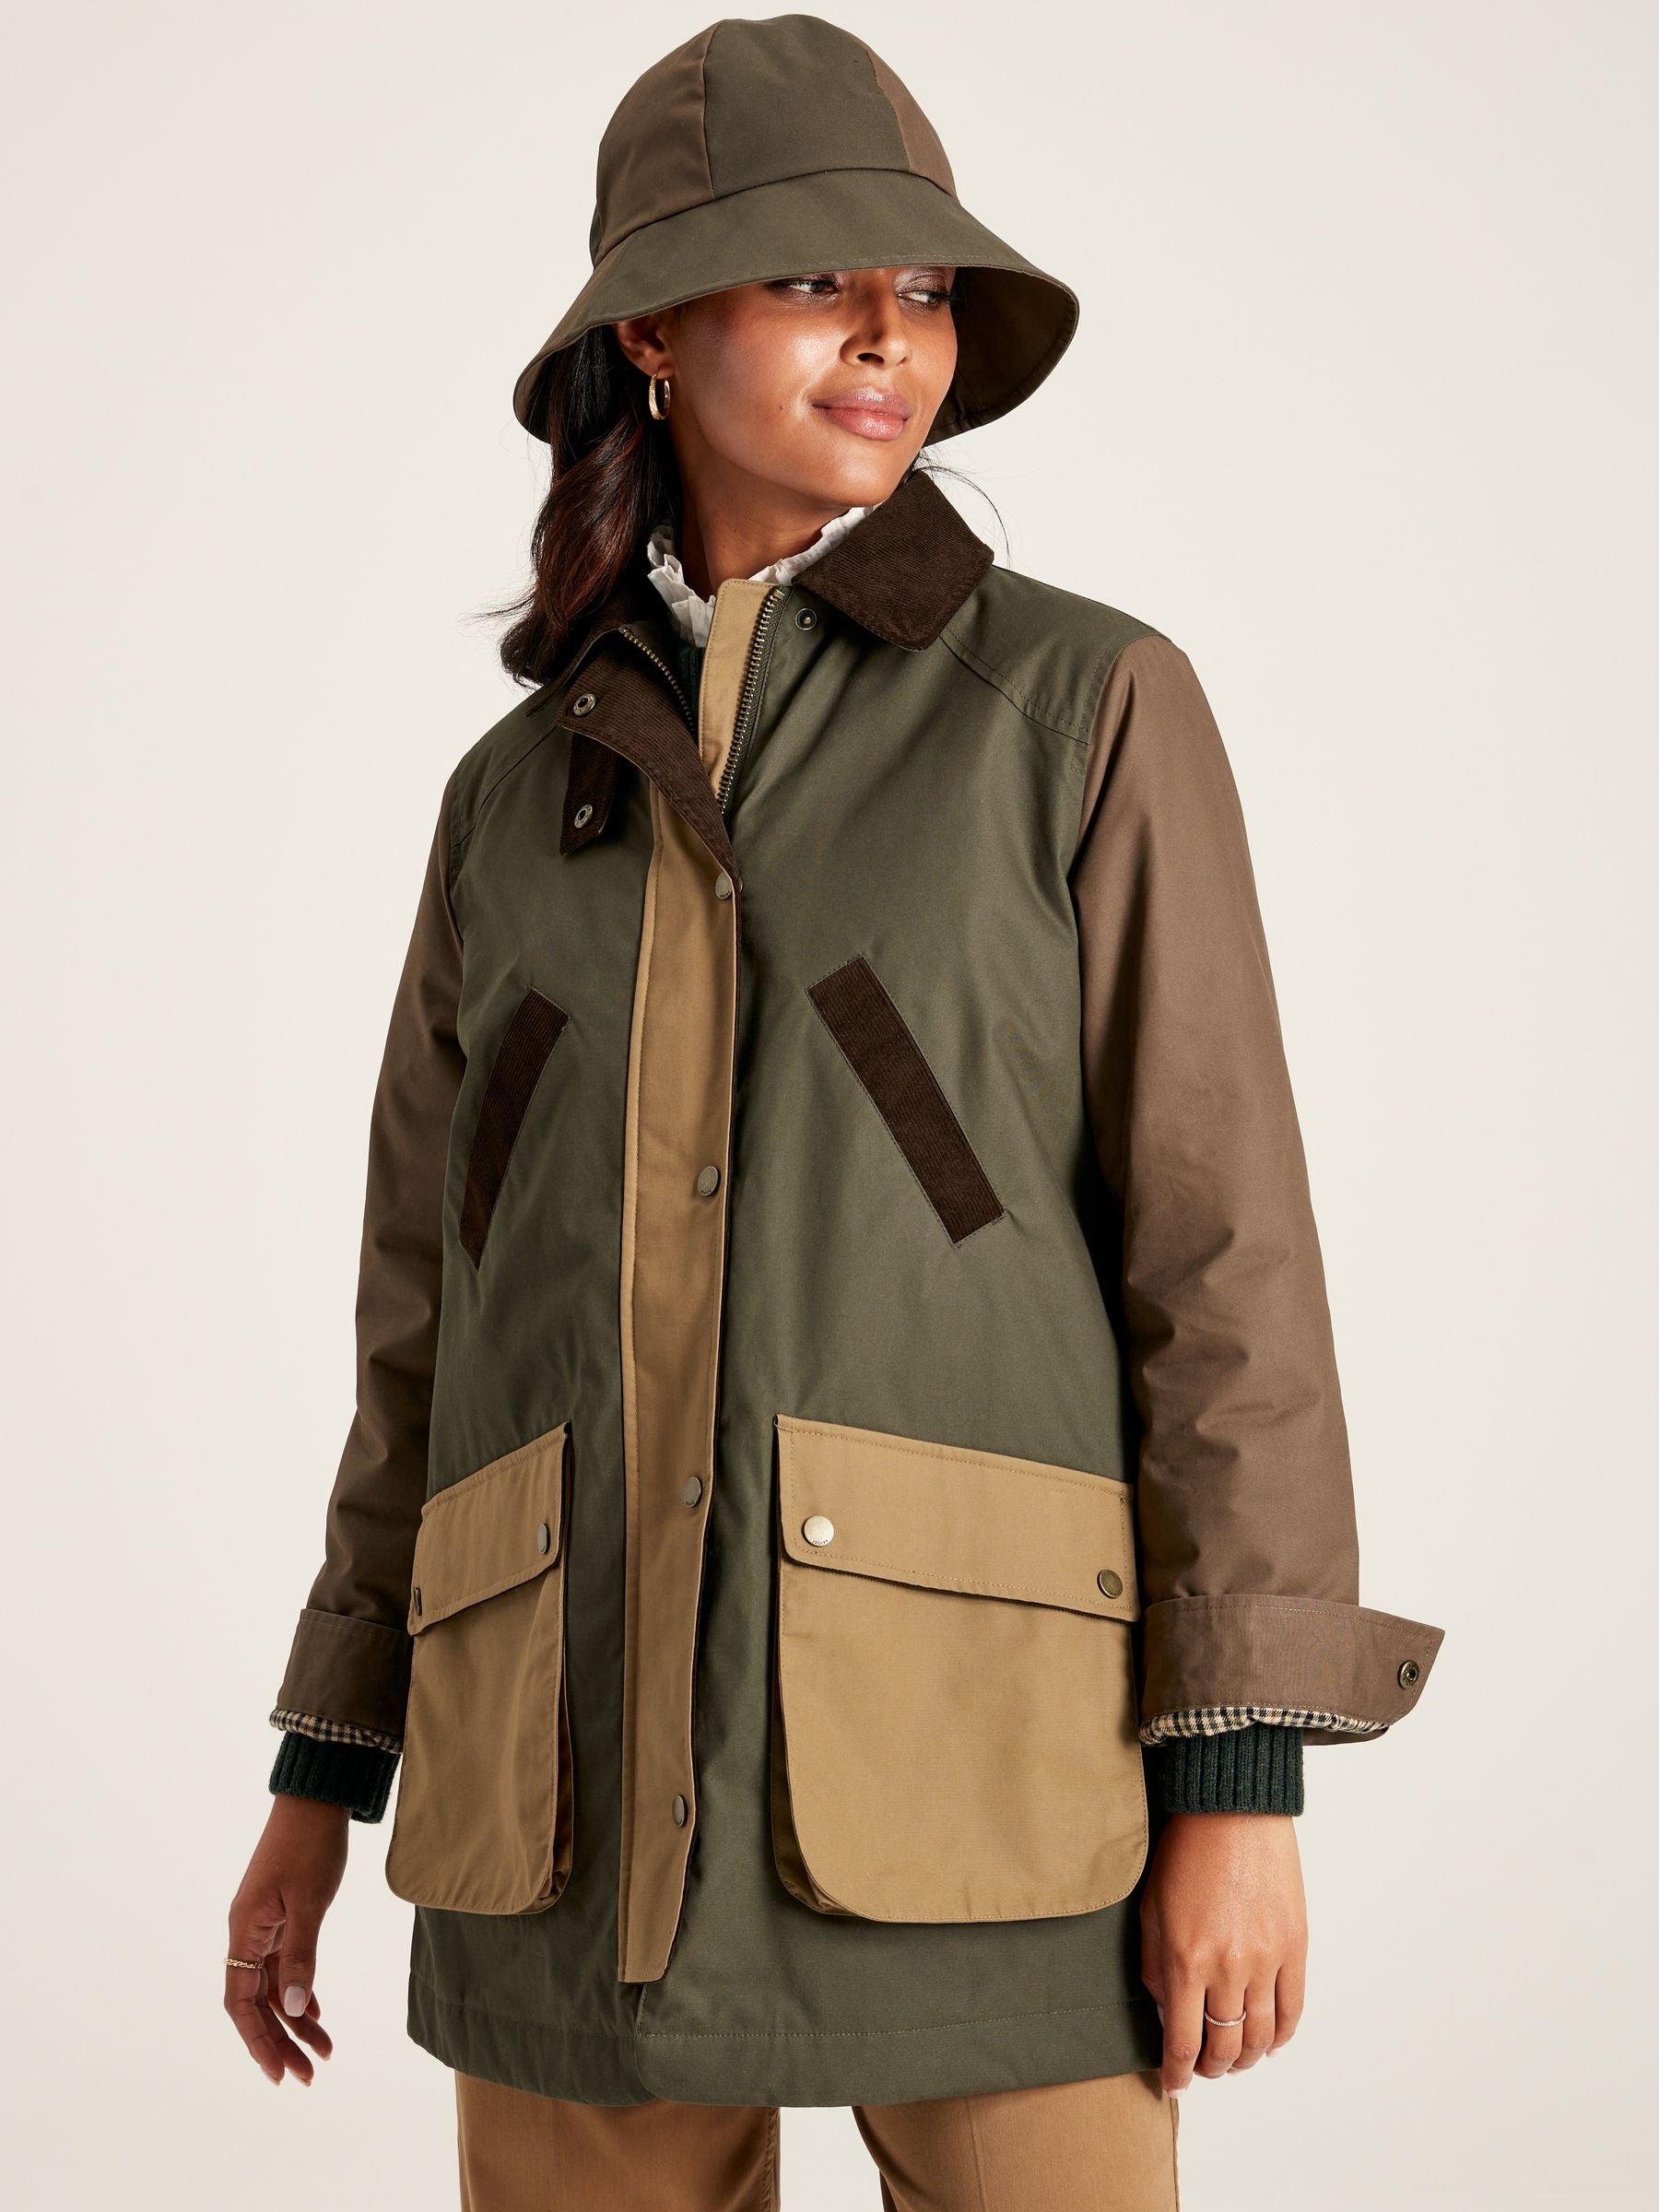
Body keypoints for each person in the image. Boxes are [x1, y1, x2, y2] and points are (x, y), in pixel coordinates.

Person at [224, 16, 1446, 2208]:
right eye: (812, 280)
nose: (892, 337)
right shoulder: (510, 803)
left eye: (925, 290)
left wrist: (1241, 1782)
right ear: (653, 332)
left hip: (983, 1782)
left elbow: (1223, 1257)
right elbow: (430, 1325)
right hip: (558, 1805)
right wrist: (328, 1769)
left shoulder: (1078, 705)